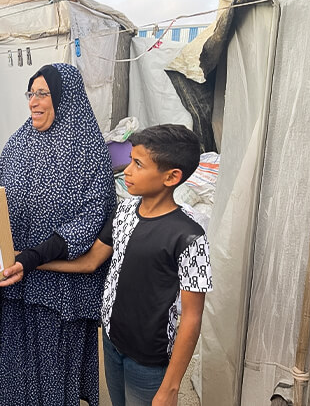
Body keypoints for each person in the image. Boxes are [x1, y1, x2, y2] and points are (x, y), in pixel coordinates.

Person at [40, 124, 213, 406]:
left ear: (172, 177)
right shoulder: (124, 212)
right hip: (112, 342)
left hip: (149, 361)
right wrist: (33, 263)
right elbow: (91, 261)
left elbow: (192, 318)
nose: (127, 171)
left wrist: (170, 387)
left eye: (138, 164)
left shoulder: (190, 237)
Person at [0, 63, 116, 406]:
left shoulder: (88, 150)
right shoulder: (19, 141)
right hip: (16, 281)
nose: (33, 101)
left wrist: (32, 258)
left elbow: (90, 219)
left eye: (42, 93)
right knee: (16, 372)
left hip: (58, 290)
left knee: (52, 379)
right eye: (31, 93)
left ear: (65, 97)